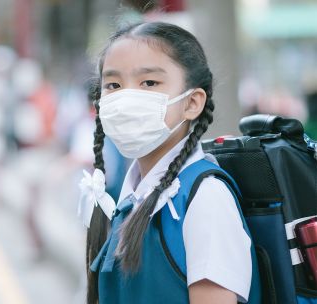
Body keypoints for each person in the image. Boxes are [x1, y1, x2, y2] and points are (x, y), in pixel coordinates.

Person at [82, 22, 261, 303]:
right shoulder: (131, 199)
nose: (127, 97)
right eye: (113, 85)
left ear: (192, 103)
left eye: (149, 83)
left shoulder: (205, 200)